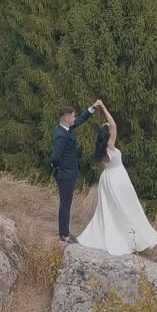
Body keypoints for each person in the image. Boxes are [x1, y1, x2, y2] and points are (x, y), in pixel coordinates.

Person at [76, 100, 157, 255]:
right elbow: (114, 124)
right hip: (117, 177)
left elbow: (111, 127)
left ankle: (117, 234)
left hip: (107, 179)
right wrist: (103, 108)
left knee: (109, 210)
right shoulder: (110, 146)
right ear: (109, 136)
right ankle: (129, 237)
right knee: (127, 207)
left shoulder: (101, 150)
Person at [50, 102, 98, 242]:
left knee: (67, 203)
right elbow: (55, 157)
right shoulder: (61, 135)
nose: (74, 118)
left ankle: (65, 232)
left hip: (69, 172)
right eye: (72, 116)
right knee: (65, 204)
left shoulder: (67, 128)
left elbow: (81, 119)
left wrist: (93, 108)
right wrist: (59, 169)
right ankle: (63, 235)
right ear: (65, 118)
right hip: (65, 174)